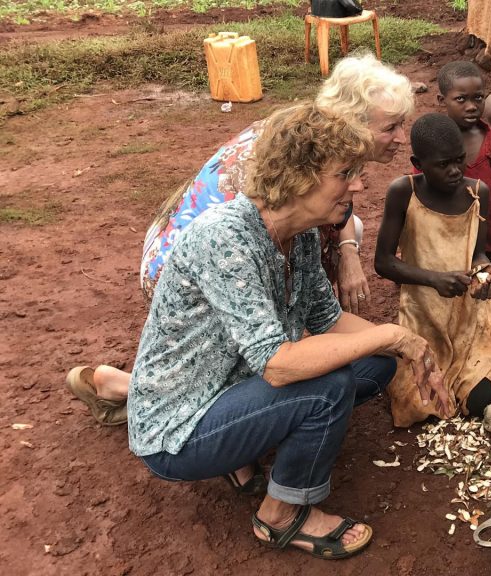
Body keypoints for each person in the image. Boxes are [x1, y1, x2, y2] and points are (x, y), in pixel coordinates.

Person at [129, 102, 449, 561]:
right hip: (177, 427)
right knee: (326, 387)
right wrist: (393, 336)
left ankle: (250, 447)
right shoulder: (225, 239)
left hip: (229, 384)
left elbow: (327, 319)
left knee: (373, 363)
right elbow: (278, 366)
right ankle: (280, 514)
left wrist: (408, 348)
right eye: (345, 173)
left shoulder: (295, 234)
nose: (359, 184)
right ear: (298, 176)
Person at [65, 53, 415, 426]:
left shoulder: (324, 148)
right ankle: (216, 420)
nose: (401, 137)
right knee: (274, 356)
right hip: (184, 265)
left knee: (342, 239)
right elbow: (230, 246)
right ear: (356, 124)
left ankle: (135, 389)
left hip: (231, 253)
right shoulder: (279, 163)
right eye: (391, 126)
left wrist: (348, 253)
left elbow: (339, 211)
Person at [374, 114, 491, 427]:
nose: (455, 171)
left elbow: (478, 253)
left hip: (469, 319)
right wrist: (433, 280)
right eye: (443, 164)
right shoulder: (403, 192)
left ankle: (478, 367)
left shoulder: (478, 193)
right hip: (423, 317)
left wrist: (486, 272)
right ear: (418, 163)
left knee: (481, 400)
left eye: (460, 160)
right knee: (421, 408)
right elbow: (383, 261)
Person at [436, 61, 491, 316]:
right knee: (457, 310)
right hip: (450, 249)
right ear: (442, 100)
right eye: (461, 99)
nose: (472, 106)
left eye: (478, 98)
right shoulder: (435, 143)